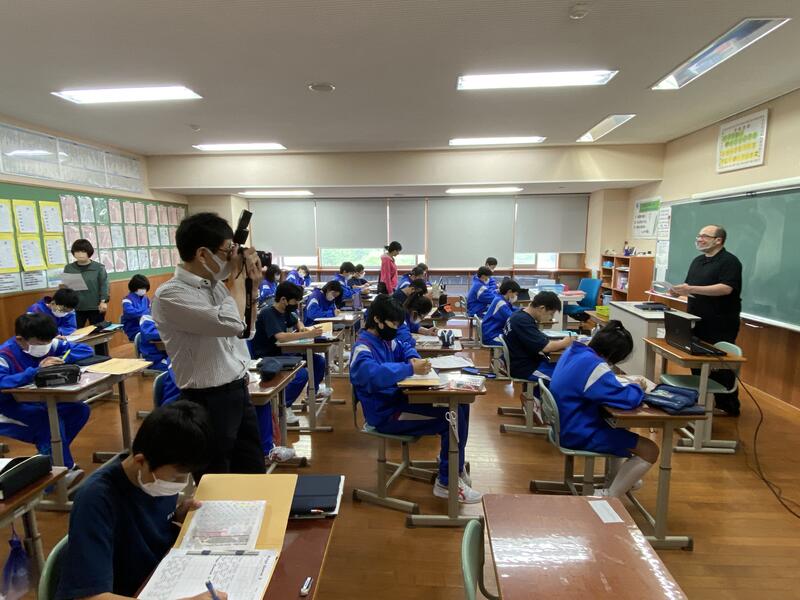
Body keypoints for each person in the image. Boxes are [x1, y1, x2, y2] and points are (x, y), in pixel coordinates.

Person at [55, 401, 226, 600]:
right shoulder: (96, 499)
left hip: (162, 574)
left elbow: (150, 520)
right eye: (175, 477)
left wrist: (178, 514)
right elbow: (91, 597)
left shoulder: (154, 474)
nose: (179, 484)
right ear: (140, 461)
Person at [152, 212, 264, 478]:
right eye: (227, 251)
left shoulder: (216, 287)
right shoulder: (171, 294)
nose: (232, 258)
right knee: (216, 477)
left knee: (252, 470)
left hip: (237, 390)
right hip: (207, 399)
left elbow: (245, 331)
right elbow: (230, 323)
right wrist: (237, 278)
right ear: (202, 254)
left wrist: (252, 289)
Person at [350, 295, 482, 503]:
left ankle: (453, 464)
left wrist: (412, 357)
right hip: (386, 414)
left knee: (461, 405)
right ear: (377, 320)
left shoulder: (386, 340)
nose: (396, 329)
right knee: (451, 419)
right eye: (393, 324)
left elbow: (404, 346)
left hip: (400, 401)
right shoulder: (362, 348)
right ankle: (447, 482)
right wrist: (410, 368)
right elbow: (374, 375)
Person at [549, 321, 659, 498]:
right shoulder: (594, 366)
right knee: (650, 449)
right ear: (613, 355)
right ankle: (609, 497)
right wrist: (637, 386)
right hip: (577, 432)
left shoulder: (574, 351)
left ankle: (617, 480)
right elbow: (627, 400)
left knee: (620, 428)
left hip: (565, 424)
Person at [0, 313, 93, 484]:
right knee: (49, 422)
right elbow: (2, 382)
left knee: (79, 409)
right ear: (20, 340)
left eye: (48, 342)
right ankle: (61, 474)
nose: (45, 347)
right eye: (40, 343)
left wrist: (63, 358)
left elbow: (86, 350)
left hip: (39, 401)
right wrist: (35, 371)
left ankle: (49, 458)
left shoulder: (49, 343)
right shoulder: (5, 355)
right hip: (9, 407)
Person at [671, 225, 743, 416]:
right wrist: (677, 290)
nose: (699, 239)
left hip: (720, 322)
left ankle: (727, 405)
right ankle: (701, 398)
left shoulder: (730, 262)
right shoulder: (698, 261)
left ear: (718, 240)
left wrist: (691, 289)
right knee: (696, 361)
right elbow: (689, 285)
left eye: (704, 236)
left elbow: (726, 288)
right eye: (698, 235)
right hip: (696, 320)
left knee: (720, 365)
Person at [252, 283, 331, 453]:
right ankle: (284, 406)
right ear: (283, 300)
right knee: (301, 374)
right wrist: (307, 334)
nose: (297, 305)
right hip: (268, 356)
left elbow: (297, 320)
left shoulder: (286, 311)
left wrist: (301, 327)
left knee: (318, 361)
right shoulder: (268, 313)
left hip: (284, 352)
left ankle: (312, 394)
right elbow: (280, 337)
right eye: (295, 301)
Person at [502, 291, 573, 383]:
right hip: (526, 368)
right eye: (551, 314)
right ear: (542, 308)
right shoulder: (522, 321)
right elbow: (546, 347)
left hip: (529, 362)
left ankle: (538, 390)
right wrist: (566, 342)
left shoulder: (520, 314)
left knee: (565, 371)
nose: (551, 318)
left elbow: (538, 338)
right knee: (564, 381)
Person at [63, 239, 110, 327]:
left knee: (98, 331)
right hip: (76, 307)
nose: (80, 254)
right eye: (77, 251)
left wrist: (103, 301)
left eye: (83, 251)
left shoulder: (99, 267)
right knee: (75, 332)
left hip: (96, 307)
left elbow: (104, 285)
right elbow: (67, 288)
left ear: (89, 252)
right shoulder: (69, 268)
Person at [481, 279, 521, 346]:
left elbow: (512, 309)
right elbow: (512, 318)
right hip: (491, 335)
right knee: (516, 343)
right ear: (509, 292)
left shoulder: (501, 299)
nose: (516, 296)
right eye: (515, 294)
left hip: (493, 331)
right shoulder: (500, 302)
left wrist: (523, 310)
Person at [121, 274, 151, 341]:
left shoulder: (146, 299)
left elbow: (152, 310)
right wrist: (147, 312)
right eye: (142, 288)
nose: (144, 290)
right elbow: (131, 313)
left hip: (145, 326)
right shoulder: (127, 300)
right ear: (135, 287)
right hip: (133, 329)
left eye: (145, 288)